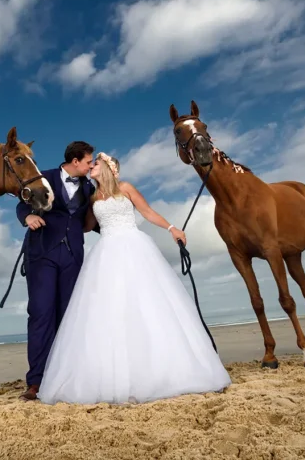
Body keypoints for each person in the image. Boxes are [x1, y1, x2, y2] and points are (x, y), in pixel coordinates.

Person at [36, 152, 231, 405]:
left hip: (133, 247)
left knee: (144, 304)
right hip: (105, 253)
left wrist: (172, 229)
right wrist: (58, 218)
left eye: (95, 164)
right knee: (108, 311)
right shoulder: (93, 196)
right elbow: (84, 226)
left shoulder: (125, 188)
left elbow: (147, 212)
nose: (91, 167)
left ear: (108, 167)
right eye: (90, 163)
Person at [15, 140, 99, 401]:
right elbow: (22, 204)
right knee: (40, 313)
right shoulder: (45, 178)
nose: (91, 165)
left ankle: (66, 376)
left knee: (68, 317)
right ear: (76, 161)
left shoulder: (89, 187)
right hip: (42, 253)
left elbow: (91, 221)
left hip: (73, 255)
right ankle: (36, 381)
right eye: (88, 161)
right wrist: (27, 218)